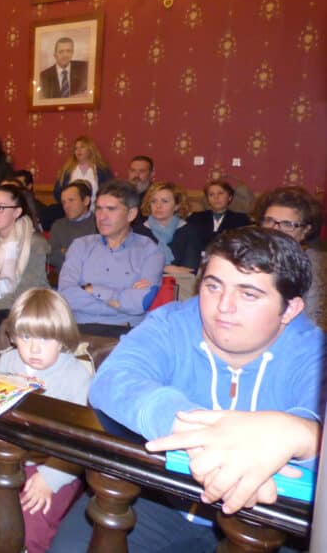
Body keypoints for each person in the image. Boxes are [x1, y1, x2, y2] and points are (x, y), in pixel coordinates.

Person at [50, 227, 325, 552]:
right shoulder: (172, 322)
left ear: (290, 309)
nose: (224, 306)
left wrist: (304, 434)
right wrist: (192, 427)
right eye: (213, 286)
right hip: (165, 496)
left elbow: (311, 421)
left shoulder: (314, 353)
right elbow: (114, 380)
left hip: (271, 515)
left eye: (248, 294)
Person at [0, 288, 92, 553]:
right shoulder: (6, 362)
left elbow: (78, 442)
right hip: (1, 456)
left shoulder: (77, 378)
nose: (34, 348)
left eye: (46, 338)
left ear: (62, 339)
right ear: (13, 336)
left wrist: (50, 478)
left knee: (33, 524)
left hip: (56, 464)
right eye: (26, 336)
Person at [58, 179, 164, 337]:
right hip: (78, 331)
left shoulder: (150, 251)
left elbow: (138, 304)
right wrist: (119, 299)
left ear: (131, 214)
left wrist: (92, 289)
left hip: (124, 333)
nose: (102, 217)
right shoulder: (80, 246)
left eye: (111, 209)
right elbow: (66, 295)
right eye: (99, 209)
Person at [0, 184, 50, 320]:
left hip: (23, 311)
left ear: (17, 212)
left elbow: (24, 294)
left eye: (0, 208)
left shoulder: (34, 243)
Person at [254, 186, 324, 329]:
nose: (274, 229)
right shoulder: (251, 256)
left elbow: (312, 325)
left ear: (305, 230)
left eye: (287, 224)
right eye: (269, 220)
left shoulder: (316, 267)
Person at [140, 181, 202, 274]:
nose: (158, 206)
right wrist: (165, 268)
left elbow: (189, 270)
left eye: (164, 201)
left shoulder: (190, 231)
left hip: (180, 284)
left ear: (177, 206)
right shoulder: (138, 231)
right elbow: (132, 266)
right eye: (153, 201)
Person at [187, 179, 252, 252]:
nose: (216, 198)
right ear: (208, 199)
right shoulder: (195, 218)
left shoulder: (241, 219)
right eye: (211, 194)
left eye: (220, 193)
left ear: (230, 197)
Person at [48, 179, 96, 273]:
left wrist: (66, 251)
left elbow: (100, 258)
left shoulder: (100, 224)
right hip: (64, 280)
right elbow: (51, 256)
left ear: (86, 201)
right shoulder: (58, 226)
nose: (66, 206)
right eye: (64, 202)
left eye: (71, 200)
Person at [53, 135, 112, 206]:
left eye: (82, 147)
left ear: (90, 149)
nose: (78, 150)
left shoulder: (102, 170)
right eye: (76, 148)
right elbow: (57, 192)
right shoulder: (67, 171)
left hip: (96, 212)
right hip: (72, 213)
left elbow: (109, 191)